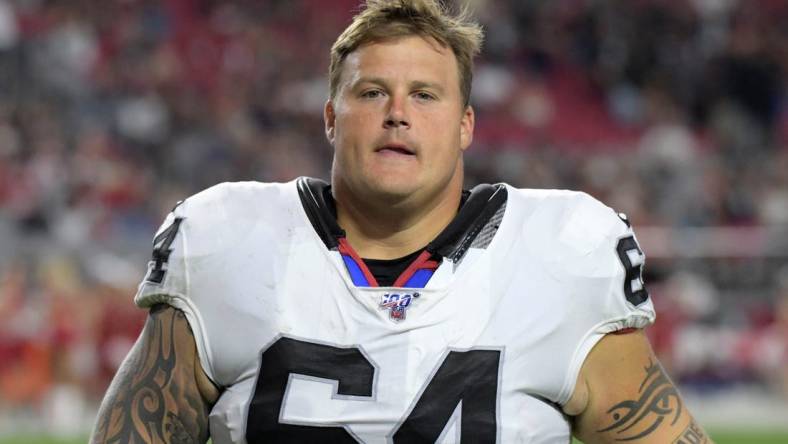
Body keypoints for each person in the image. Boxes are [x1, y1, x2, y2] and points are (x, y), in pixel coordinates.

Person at [91, 0, 712, 442]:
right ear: (331, 118)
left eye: (425, 94)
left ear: (465, 124)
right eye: (371, 93)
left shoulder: (561, 253)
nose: (397, 114)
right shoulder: (226, 240)